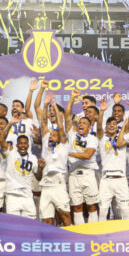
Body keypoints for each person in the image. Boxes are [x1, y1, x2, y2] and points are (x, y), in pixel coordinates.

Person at [35, 85, 71, 226]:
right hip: (45, 183)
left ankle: (73, 242)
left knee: (65, 216)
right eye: (50, 134)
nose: (51, 136)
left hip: (59, 182)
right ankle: (47, 245)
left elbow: (61, 126)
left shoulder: (63, 143)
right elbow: (44, 122)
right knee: (46, 220)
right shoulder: (46, 139)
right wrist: (45, 105)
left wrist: (55, 107)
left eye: (54, 134)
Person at [65, 90, 100, 225]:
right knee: (77, 207)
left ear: (90, 127)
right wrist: (73, 97)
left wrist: (68, 153)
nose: (81, 124)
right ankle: (81, 234)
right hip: (73, 175)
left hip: (88, 175)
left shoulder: (92, 138)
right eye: (80, 123)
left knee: (92, 207)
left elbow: (87, 155)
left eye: (84, 123)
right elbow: (68, 115)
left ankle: (94, 233)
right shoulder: (72, 135)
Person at [0, 116, 43, 218]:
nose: (23, 145)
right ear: (17, 145)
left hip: (27, 196)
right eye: (20, 143)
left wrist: (40, 167)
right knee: (14, 227)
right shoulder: (11, 153)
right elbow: (1, 139)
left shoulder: (33, 158)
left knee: (30, 226)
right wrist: (10, 124)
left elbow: (39, 177)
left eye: (25, 143)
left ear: (28, 145)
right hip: (12, 195)